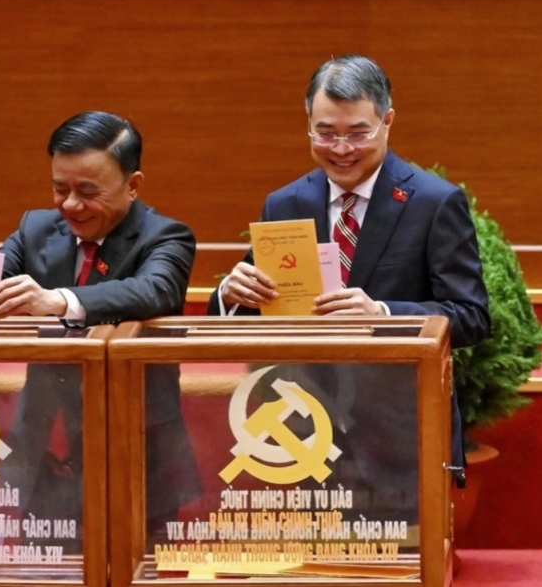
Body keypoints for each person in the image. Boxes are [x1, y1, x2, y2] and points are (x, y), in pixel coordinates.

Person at [0, 110, 200, 548]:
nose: (70, 205)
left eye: (87, 191)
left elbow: (154, 289)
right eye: (59, 188)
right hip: (45, 445)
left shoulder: (166, 237)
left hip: (133, 450)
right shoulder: (36, 229)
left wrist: (59, 300)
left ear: (133, 185)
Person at [208, 55, 490, 496]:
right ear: (308, 122)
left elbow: (472, 317)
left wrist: (382, 314)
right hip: (301, 432)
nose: (341, 148)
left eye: (358, 133)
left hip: (398, 437)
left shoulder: (433, 203)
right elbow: (255, 307)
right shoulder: (285, 204)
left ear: (388, 121)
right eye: (326, 132)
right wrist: (230, 293)